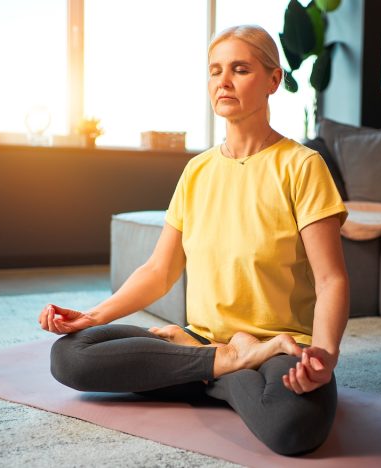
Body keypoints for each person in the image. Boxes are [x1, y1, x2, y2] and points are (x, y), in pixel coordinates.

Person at [38, 24, 349, 456]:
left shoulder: (302, 166)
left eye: (240, 69)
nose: (223, 81)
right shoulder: (197, 171)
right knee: (70, 356)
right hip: (198, 339)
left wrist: (325, 355)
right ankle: (232, 363)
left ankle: (211, 369)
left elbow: (331, 279)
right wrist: (93, 317)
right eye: (215, 70)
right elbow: (158, 270)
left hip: (280, 344)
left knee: (293, 428)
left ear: (273, 80)